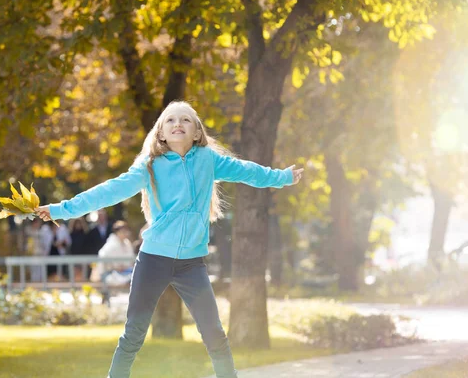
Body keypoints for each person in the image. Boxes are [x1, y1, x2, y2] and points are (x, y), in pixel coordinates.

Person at [36, 100, 304, 378]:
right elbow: (108, 191)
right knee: (133, 334)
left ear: (197, 133)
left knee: (214, 334)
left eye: (186, 120)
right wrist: (59, 209)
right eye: (170, 120)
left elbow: (248, 171)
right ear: (161, 133)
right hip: (153, 260)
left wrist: (282, 177)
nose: (178, 124)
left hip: (191, 264)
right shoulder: (150, 165)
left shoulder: (208, 160)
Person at [91, 220, 135, 286]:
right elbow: (102, 257)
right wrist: (115, 267)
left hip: (127, 272)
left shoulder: (127, 243)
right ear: (117, 232)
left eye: (126, 231)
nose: (125, 233)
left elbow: (131, 260)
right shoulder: (111, 244)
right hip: (111, 273)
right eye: (123, 231)